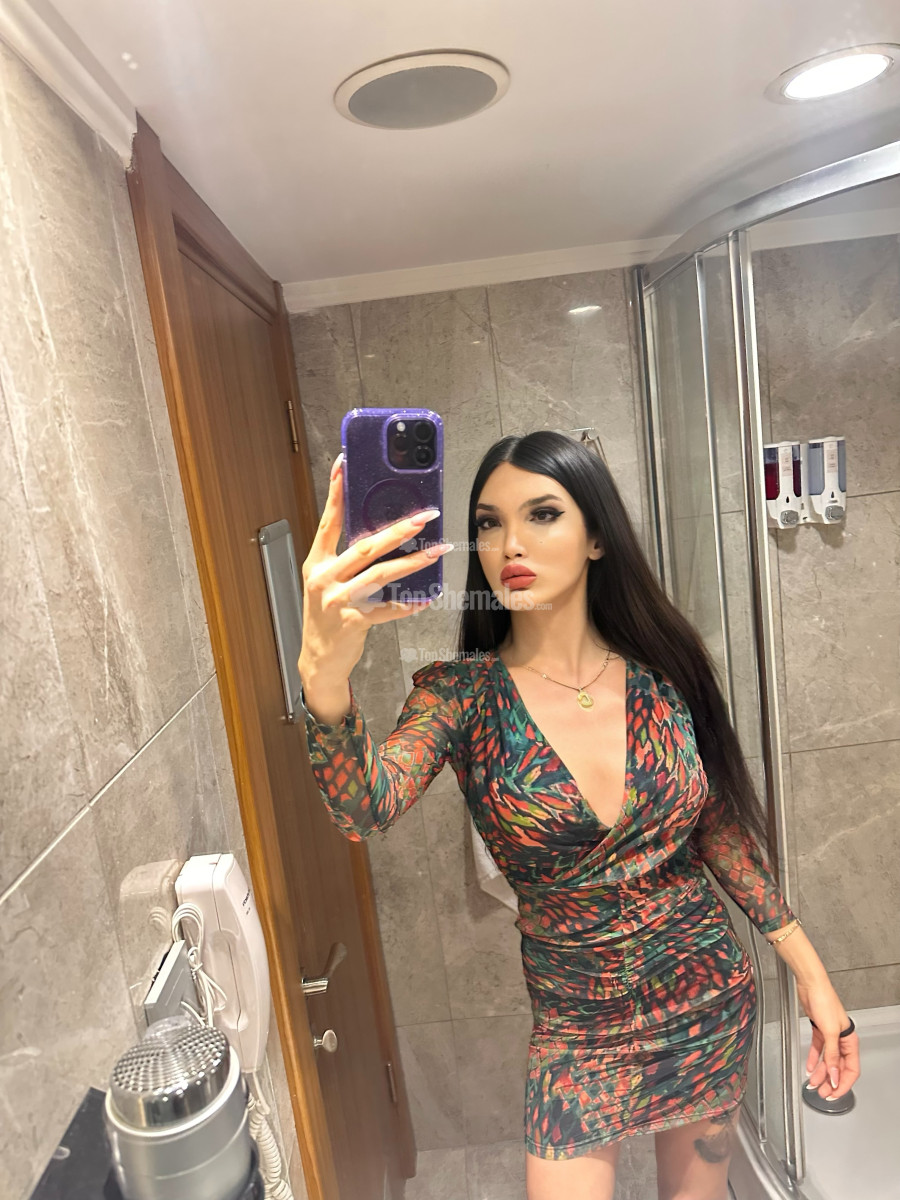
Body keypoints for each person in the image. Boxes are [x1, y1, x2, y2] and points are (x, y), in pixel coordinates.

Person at [297, 430, 860, 1200]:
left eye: (542, 514)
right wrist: (325, 681)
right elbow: (364, 808)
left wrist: (814, 982)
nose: (510, 543)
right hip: (577, 1033)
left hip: (706, 998)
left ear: (596, 537)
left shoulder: (664, 676)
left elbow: (718, 830)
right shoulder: (459, 695)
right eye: (488, 522)